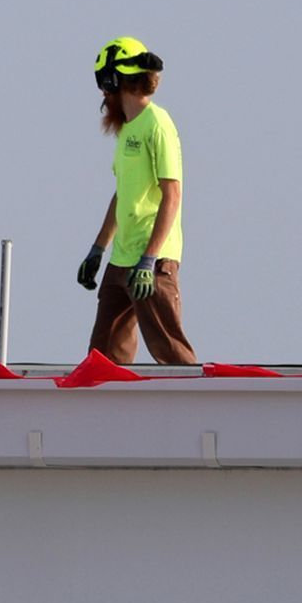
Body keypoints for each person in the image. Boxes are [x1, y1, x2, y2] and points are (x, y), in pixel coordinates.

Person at [76, 37, 196, 366]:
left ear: (113, 80)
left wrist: (149, 259)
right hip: (122, 259)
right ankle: (106, 415)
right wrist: (98, 250)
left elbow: (172, 193)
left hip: (151, 261)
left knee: (170, 351)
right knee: (103, 356)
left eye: (104, 84)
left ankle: (203, 412)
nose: (103, 94)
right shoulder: (128, 129)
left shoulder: (157, 124)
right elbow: (123, 194)